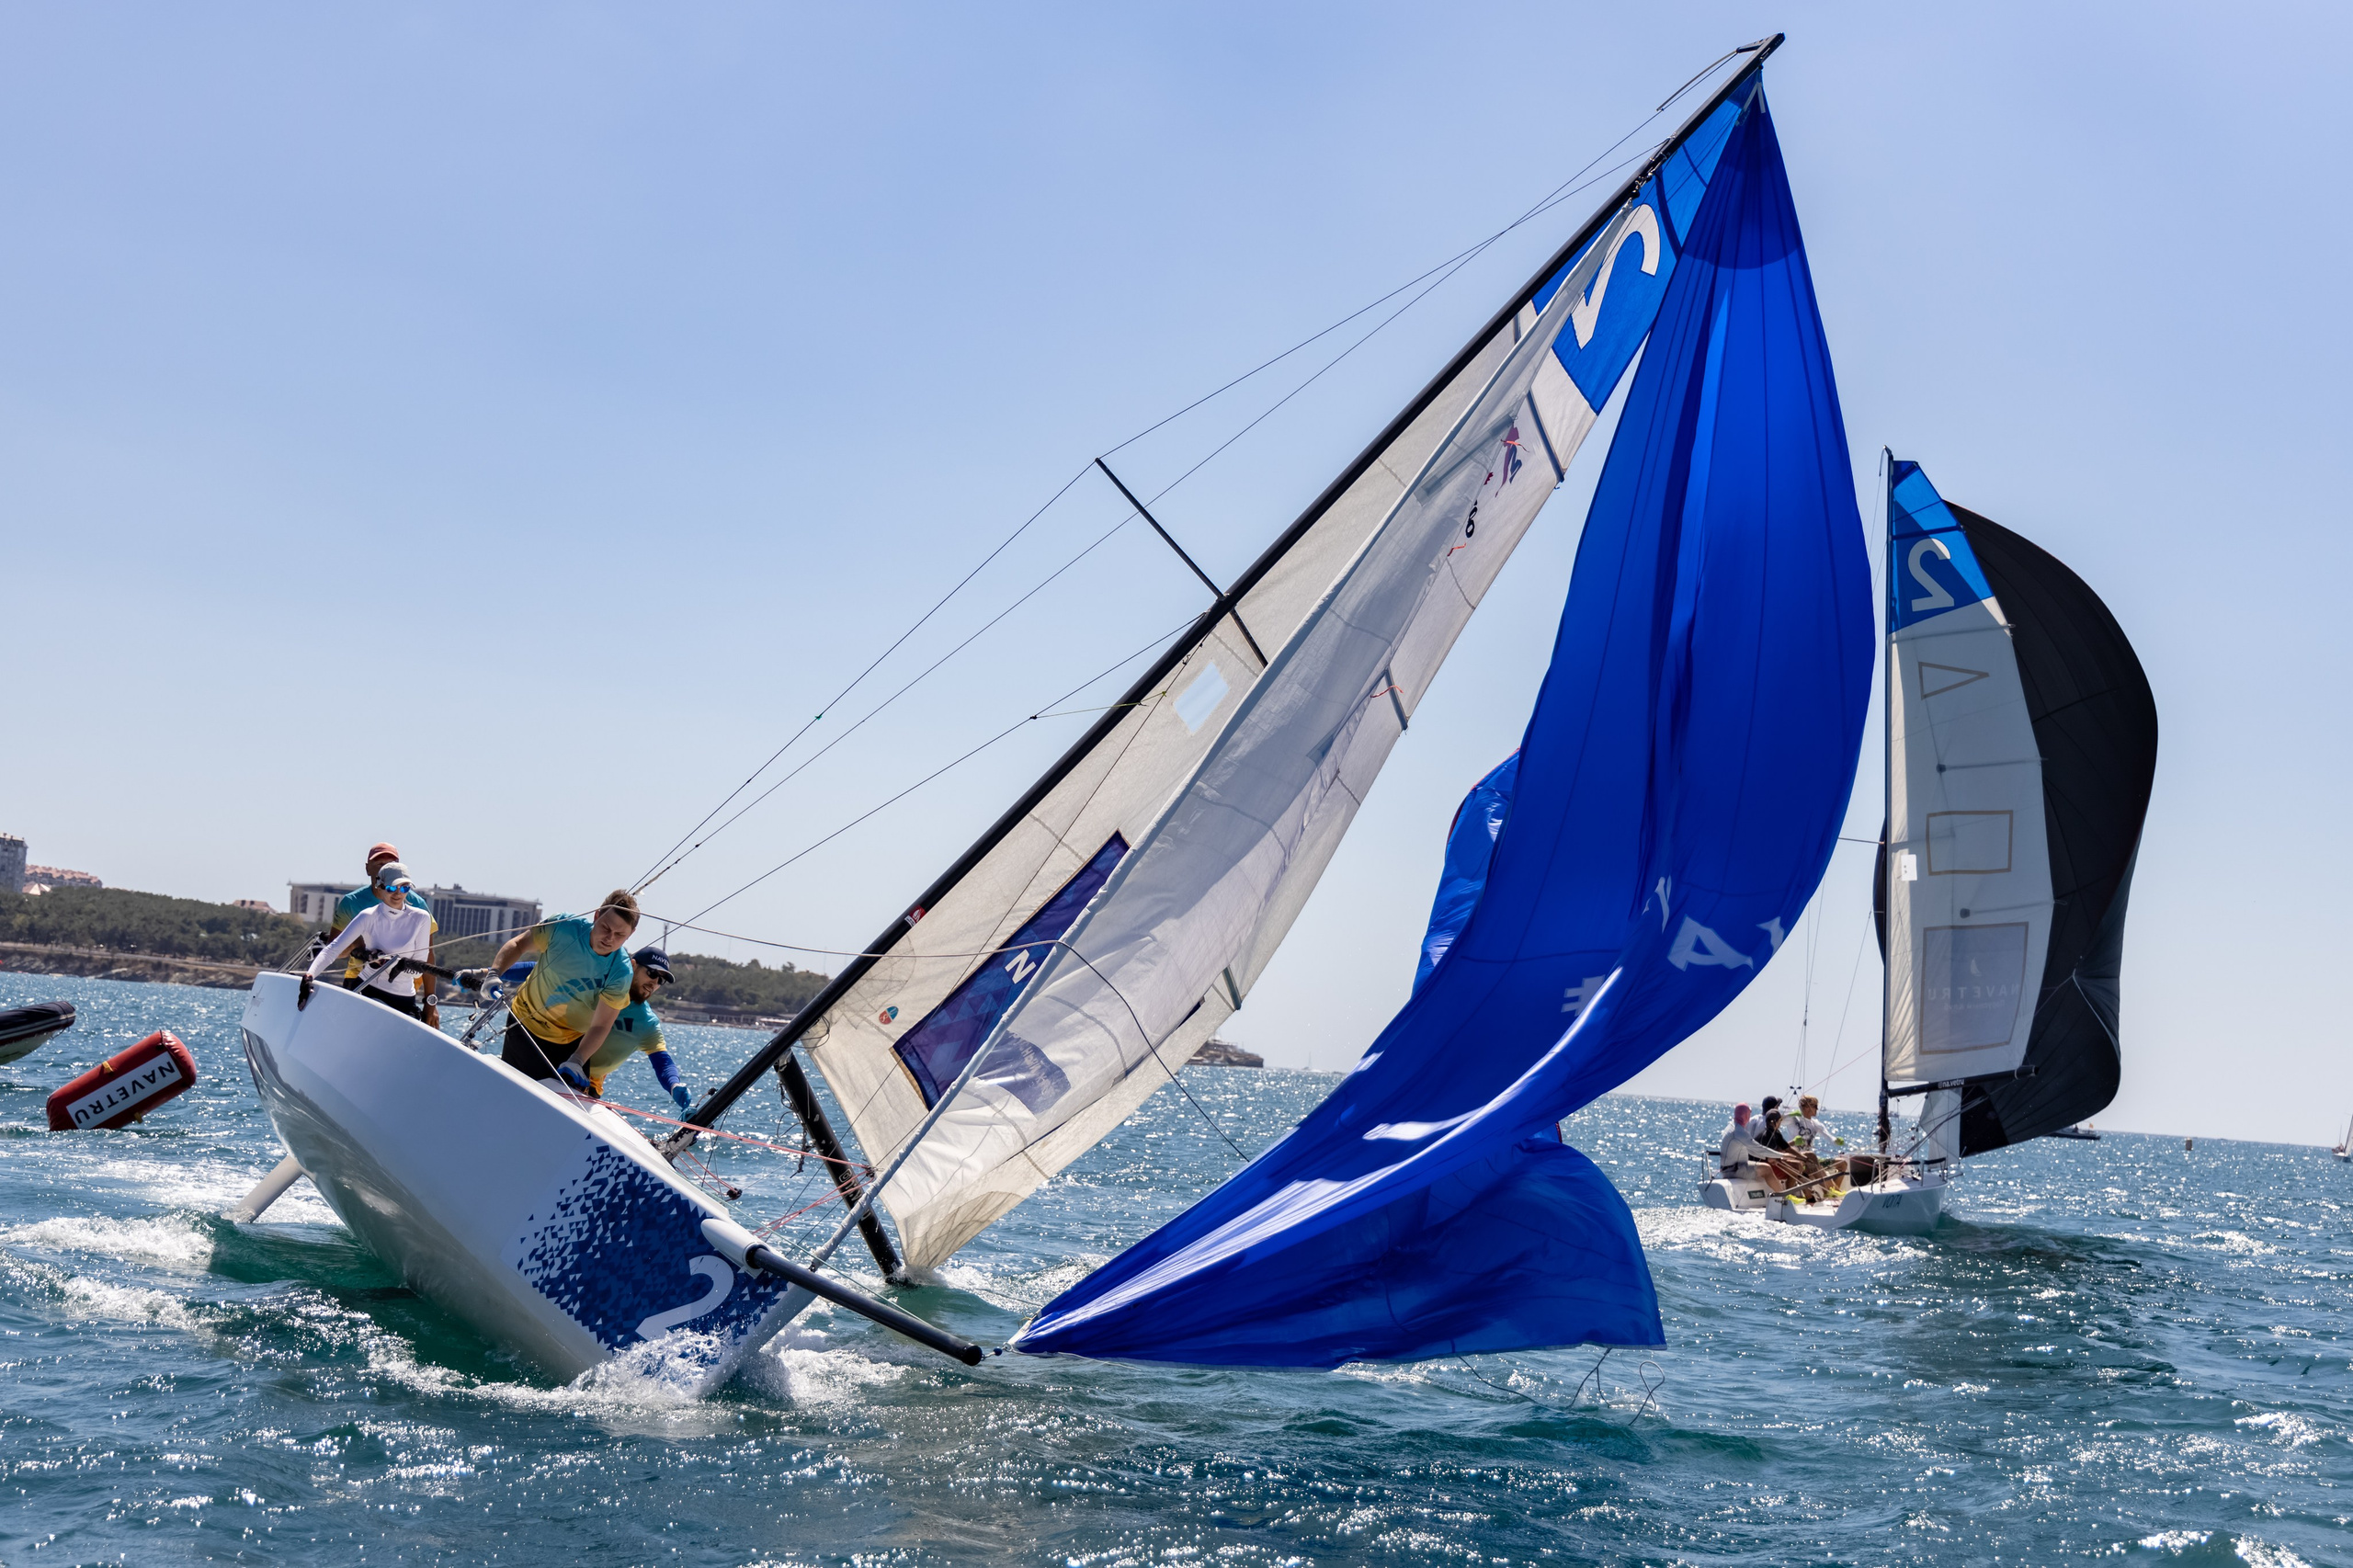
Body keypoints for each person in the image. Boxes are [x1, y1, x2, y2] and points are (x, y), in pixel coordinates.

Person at [477, 891, 640, 1092]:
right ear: (596, 916)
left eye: (619, 935)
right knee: (512, 1096)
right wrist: (494, 973)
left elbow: (601, 1025)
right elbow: (519, 944)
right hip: (524, 1024)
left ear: (630, 934)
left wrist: (578, 1060)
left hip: (569, 1044)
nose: (609, 938)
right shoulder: (563, 927)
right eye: (606, 928)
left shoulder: (621, 971)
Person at [301, 861, 438, 1024]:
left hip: (404, 1000)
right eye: (392, 888)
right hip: (366, 989)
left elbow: (418, 971)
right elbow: (333, 949)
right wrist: (310, 975)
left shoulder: (421, 918)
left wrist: (393, 964)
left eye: (405, 888)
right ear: (380, 887)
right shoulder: (367, 916)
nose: (398, 893)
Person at [578, 946, 693, 1112]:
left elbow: (663, 1062)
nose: (654, 983)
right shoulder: (598, 982)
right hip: (549, 1058)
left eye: (661, 980)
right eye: (652, 973)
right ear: (633, 965)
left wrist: (674, 1085)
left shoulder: (647, 1022)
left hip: (587, 1086)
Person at [325, 842, 435, 988]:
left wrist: (430, 1002)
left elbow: (428, 956)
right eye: (379, 863)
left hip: (402, 984)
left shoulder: (418, 905)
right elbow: (333, 950)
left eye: (390, 864)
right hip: (358, 977)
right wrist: (358, 941)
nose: (384, 869)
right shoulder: (351, 902)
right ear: (367, 868)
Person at [1719, 1102, 1761, 1177]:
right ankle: (1780, 1189)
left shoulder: (1730, 1127)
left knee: (1760, 1166)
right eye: (1749, 1114)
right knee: (1767, 1169)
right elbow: (1760, 1149)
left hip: (1727, 1169)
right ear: (1745, 1115)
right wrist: (1782, 1156)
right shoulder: (1739, 1131)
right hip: (1735, 1170)